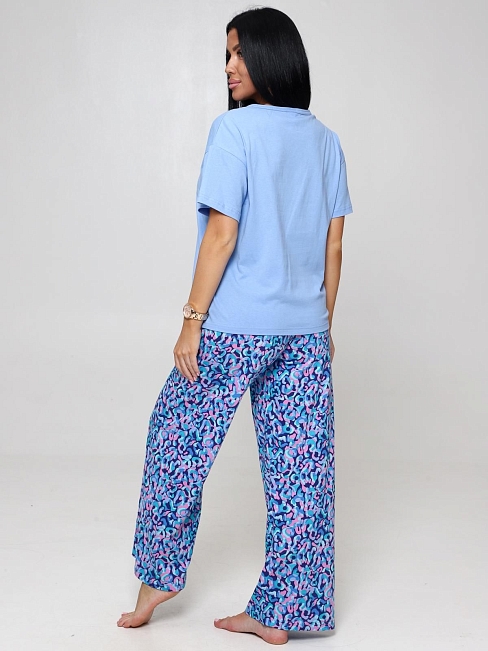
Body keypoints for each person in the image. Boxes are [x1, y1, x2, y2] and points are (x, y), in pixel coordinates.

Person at [117, 6, 353, 645]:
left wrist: (192, 321)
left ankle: (158, 578)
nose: (228, 66)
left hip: (235, 327)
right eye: (227, 54)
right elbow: (333, 247)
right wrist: (322, 323)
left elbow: (222, 234)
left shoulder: (234, 130)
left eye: (240, 52)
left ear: (275, 57)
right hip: (304, 333)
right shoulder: (327, 141)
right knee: (301, 475)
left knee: (175, 442)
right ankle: (284, 614)